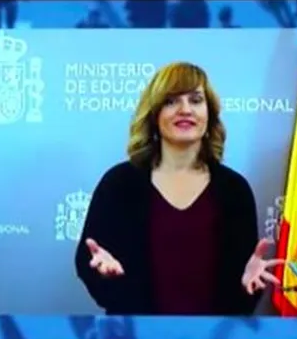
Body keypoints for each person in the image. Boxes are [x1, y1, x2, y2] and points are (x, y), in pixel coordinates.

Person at [74, 61, 283, 315]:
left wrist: (246, 286)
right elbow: (89, 261)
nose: (185, 110)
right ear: (155, 114)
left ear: (209, 113)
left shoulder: (233, 190)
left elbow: (244, 288)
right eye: (171, 101)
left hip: (214, 338)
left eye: (196, 100)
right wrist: (105, 277)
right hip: (136, 336)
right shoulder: (119, 184)